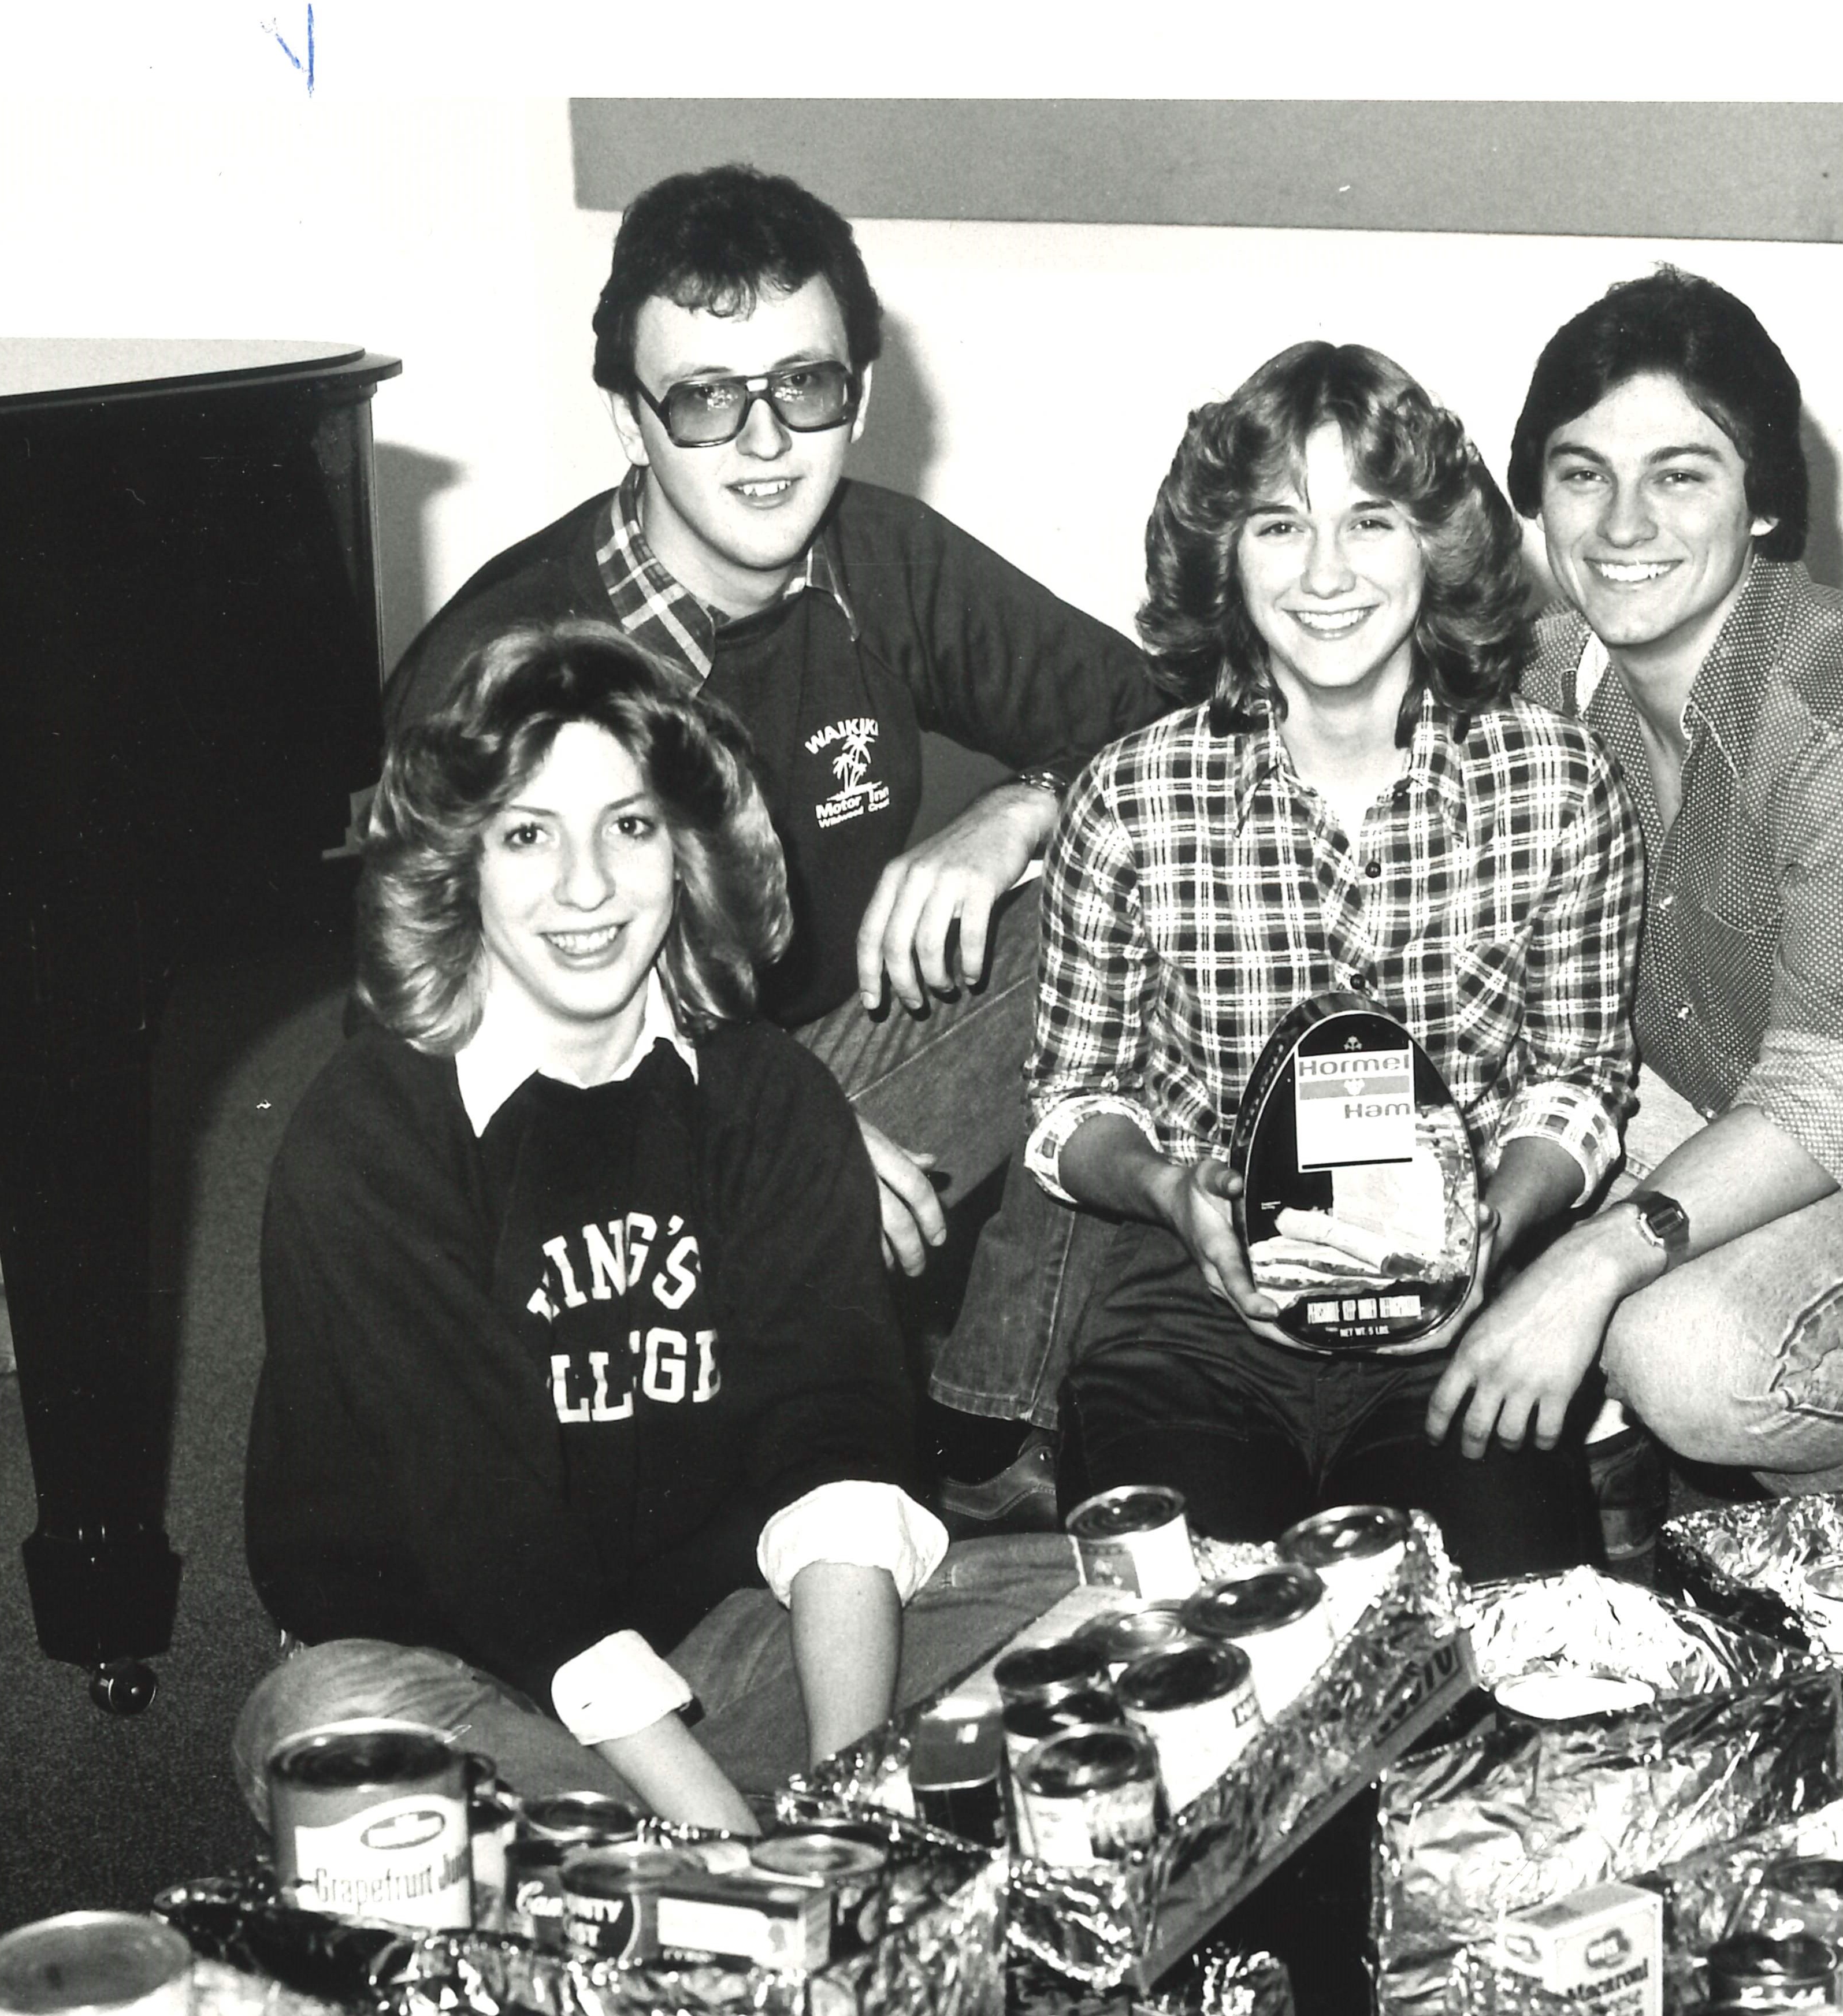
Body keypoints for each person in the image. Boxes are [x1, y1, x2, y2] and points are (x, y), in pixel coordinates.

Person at [387, 164, 1169, 1526]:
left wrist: (1017, 811)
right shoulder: (509, 659)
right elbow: (439, 1051)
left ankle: (988, 1419)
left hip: (827, 1071)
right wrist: (760, 1114)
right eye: (702, 398)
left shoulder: (880, 558)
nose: (761, 443)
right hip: (594, 1145)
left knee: (1134, 878)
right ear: (630, 421)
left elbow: (1159, 718)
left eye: (802, 386)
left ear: (855, 394)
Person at [236, 623, 1074, 1833]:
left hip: (723, 1644)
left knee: (1108, 1600)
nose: (585, 886)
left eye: (628, 826)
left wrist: (851, 1812)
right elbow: (490, 1544)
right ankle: (702, 1856)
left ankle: (671, 1875)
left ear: (686, 852)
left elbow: (829, 1441)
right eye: (528, 834)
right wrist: (748, 1861)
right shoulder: (367, 1134)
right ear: (458, 863)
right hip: (477, 1671)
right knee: (323, 1721)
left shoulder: (768, 1092)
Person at [1429, 268, 1843, 1495]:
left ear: (1758, 503)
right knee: (1406, 1149)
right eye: (1582, 474)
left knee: (1685, 1349)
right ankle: (1591, 1422)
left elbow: (1824, 1103)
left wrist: (1588, 1262)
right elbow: (1303, 724)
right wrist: (1047, 801)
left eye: (1679, 474)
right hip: (1703, 1092)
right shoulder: (1541, 677)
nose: (1621, 524)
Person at [1027, 341, 1639, 1583]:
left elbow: (1573, 1084)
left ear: (1436, 544)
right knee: (1191, 1640)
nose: (1322, 575)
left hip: (1454, 1308)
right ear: (1221, 556)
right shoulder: (1130, 798)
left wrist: (1492, 1223)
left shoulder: (1559, 784)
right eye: (1274, 526)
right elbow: (1068, 1106)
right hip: (1195, 1310)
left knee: (1495, 1647)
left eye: (1368, 521)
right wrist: (1169, 1198)